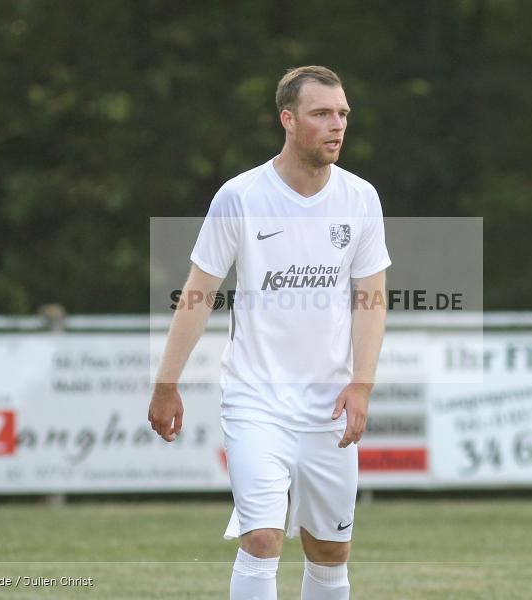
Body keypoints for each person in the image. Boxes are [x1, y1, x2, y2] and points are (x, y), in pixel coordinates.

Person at [148, 66, 390, 600]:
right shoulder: (240, 196)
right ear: (288, 119)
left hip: (328, 404)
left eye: (343, 114)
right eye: (321, 114)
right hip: (256, 398)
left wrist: (362, 384)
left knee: (330, 552)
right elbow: (197, 293)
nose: (337, 125)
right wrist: (167, 381)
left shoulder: (361, 198)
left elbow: (372, 300)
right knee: (261, 537)